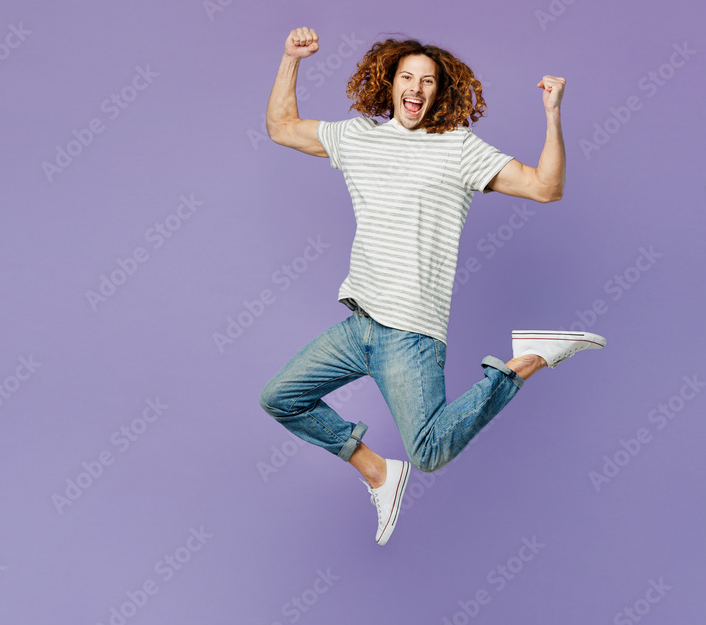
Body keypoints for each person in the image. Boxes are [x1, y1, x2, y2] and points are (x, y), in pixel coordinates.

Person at [260, 27, 606, 545]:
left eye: (428, 81)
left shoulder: (457, 148)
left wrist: (553, 116)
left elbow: (545, 187)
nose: (416, 88)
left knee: (428, 453)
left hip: (410, 331)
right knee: (280, 398)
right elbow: (282, 127)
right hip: (359, 325)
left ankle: (528, 360)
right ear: (390, 83)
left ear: (440, 93)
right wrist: (290, 58)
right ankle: (377, 470)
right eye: (407, 77)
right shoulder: (358, 139)